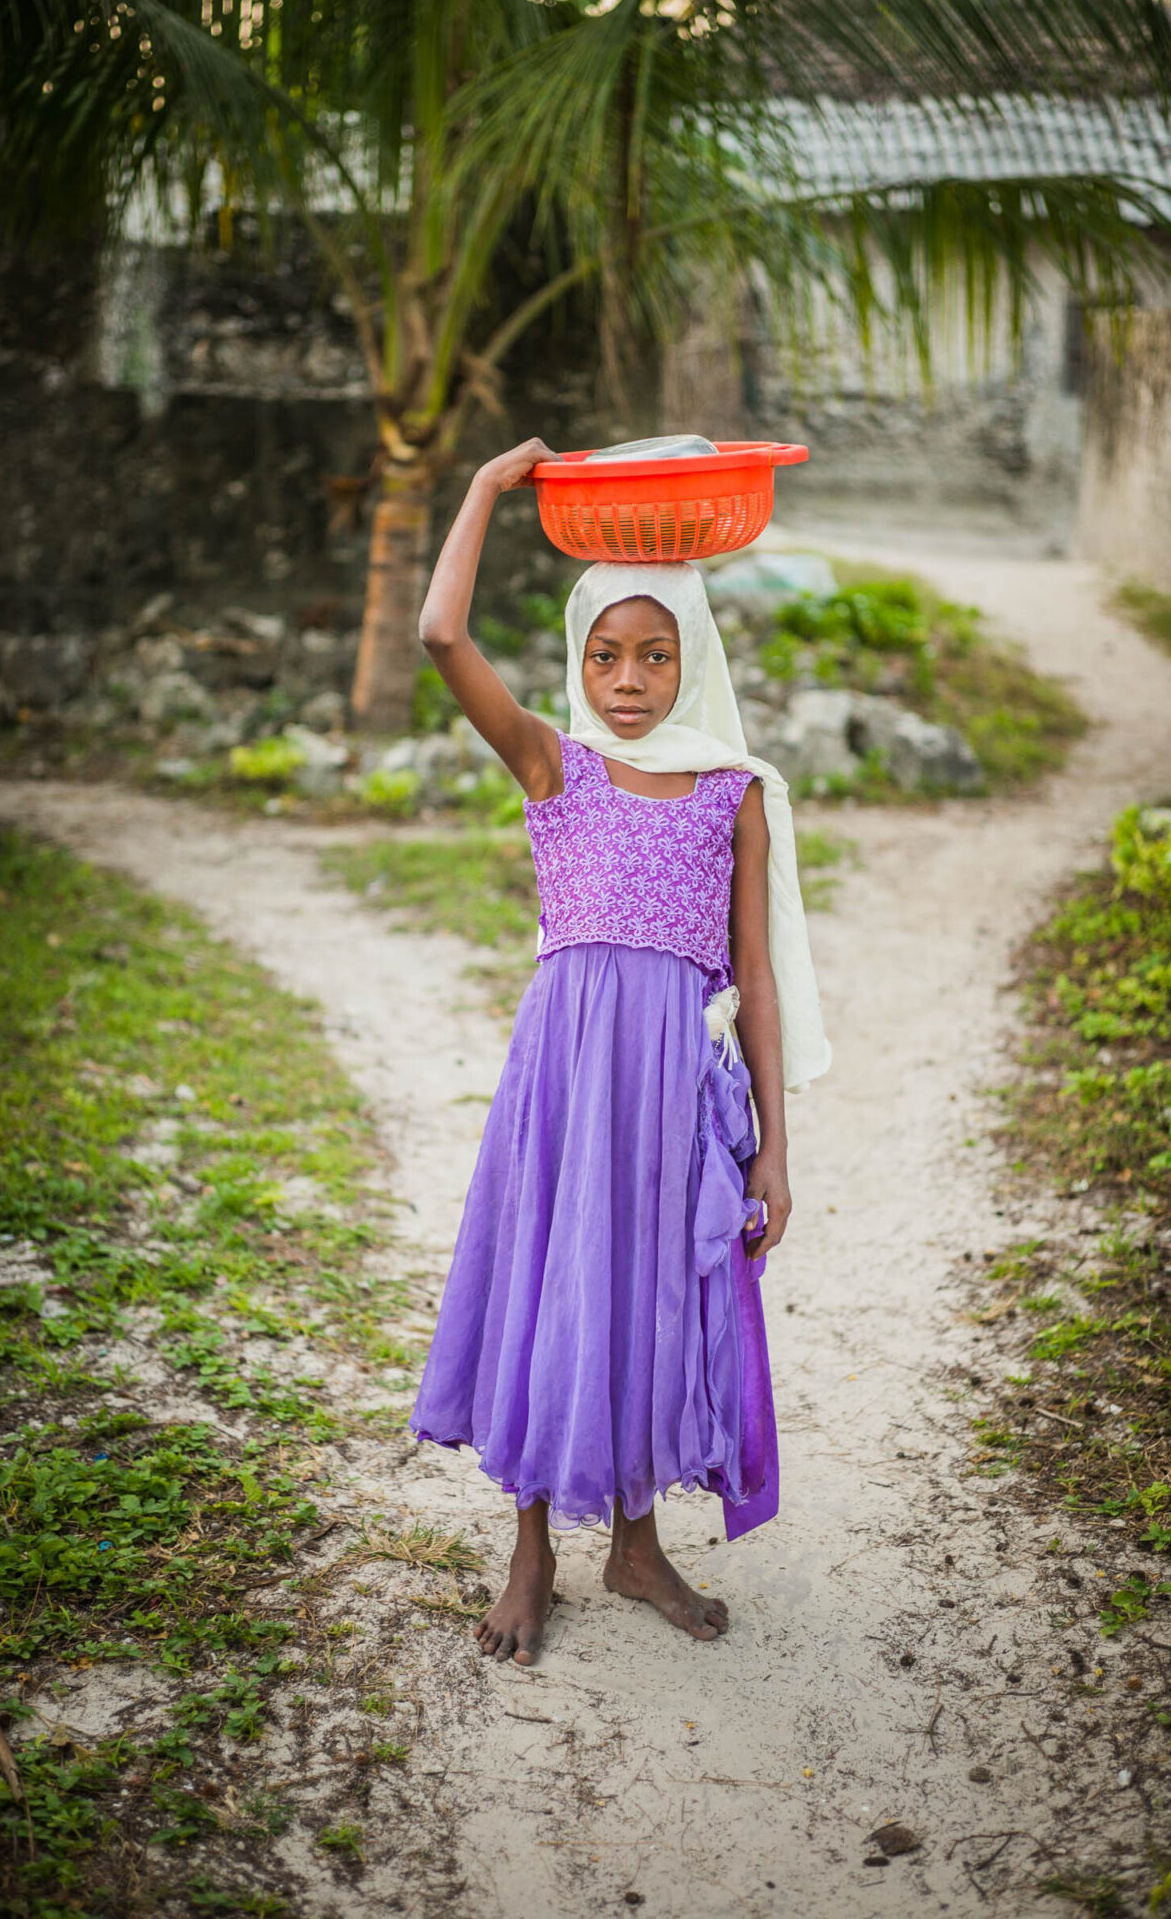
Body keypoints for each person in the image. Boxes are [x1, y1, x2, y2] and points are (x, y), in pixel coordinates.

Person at [408, 437, 830, 1666]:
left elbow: (753, 978)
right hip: (566, 1082)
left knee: (644, 1291)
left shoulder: (731, 791)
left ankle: (635, 1545)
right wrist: (484, 490)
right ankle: (530, 1551)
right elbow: (440, 634)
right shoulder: (556, 763)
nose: (629, 678)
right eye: (605, 654)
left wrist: (773, 1152)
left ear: (692, 659)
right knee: (554, 1279)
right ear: (577, 659)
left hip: (670, 1097)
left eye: (655, 654)